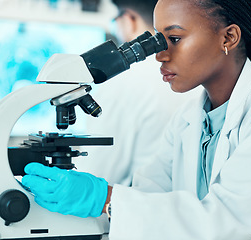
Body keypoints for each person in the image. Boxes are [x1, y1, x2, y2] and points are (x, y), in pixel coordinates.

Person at [22, 0, 251, 239]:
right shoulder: (189, 119)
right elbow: (150, 194)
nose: (159, 55)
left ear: (228, 38)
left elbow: (226, 221)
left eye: (175, 39)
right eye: (157, 39)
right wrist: (92, 200)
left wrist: (103, 199)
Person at [73, 0, 194, 186]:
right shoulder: (190, 78)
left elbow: (97, 175)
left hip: (136, 206)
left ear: (129, 20)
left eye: (115, 22)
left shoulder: (121, 83)